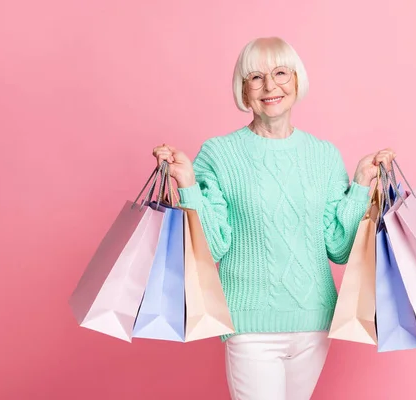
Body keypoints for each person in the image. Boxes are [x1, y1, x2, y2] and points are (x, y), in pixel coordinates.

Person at [152, 37, 395, 400]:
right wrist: (187, 184)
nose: (270, 86)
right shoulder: (218, 154)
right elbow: (213, 248)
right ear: (243, 90)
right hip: (249, 326)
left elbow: (338, 249)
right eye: (256, 77)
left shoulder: (324, 155)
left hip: (314, 323)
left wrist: (360, 185)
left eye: (281, 72)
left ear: (296, 80)